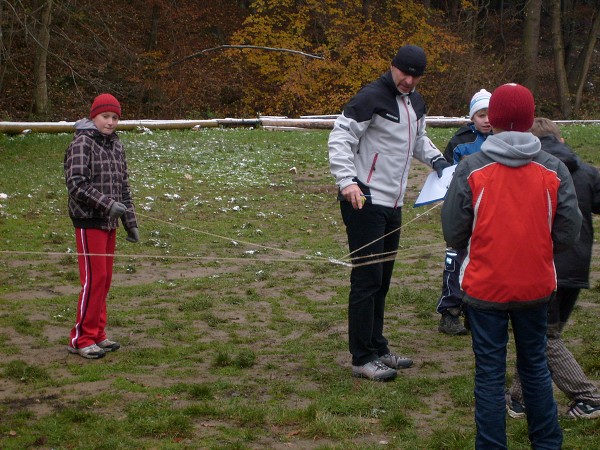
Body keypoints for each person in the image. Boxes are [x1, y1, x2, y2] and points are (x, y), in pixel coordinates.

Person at [441, 83, 582, 449]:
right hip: (534, 286)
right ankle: (547, 444)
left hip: (486, 286)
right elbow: (568, 231)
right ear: (529, 120)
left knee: (490, 374)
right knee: (534, 367)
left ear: (497, 121)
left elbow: (454, 231)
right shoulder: (552, 168)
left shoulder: (474, 167)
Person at [328, 44, 451, 381]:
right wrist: (347, 181)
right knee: (366, 280)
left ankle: (378, 347)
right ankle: (362, 358)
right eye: (404, 73)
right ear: (392, 66)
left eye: (415, 76)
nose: (408, 80)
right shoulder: (371, 97)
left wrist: (438, 160)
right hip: (364, 201)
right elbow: (340, 137)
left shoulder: (416, 103)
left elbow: (418, 139)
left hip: (394, 204)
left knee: (381, 280)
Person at [506, 117, 600, 420]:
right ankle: (518, 398)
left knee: (543, 338)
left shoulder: (531, 172)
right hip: (576, 268)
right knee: (541, 333)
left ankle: (588, 396)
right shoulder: (587, 172)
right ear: (560, 139)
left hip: (546, 268)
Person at [64, 93, 140, 359]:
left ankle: (97, 333)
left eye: (115, 118)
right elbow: (76, 185)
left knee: (104, 280)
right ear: (93, 116)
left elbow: (123, 188)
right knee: (93, 280)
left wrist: (130, 222)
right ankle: (81, 338)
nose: (110, 122)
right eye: (105, 117)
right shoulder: (82, 143)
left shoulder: (116, 146)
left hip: (109, 224)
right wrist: (107, 205)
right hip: (88, 220)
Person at [437, 89, 492, 335]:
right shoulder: (460, 142)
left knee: (485, 259)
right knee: (455, 260)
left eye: (491, 114)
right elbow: (448, 176)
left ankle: (479, 309)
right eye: (481, 114)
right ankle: (450, 311)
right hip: (463, 210)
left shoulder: (503, 139)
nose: (487, 120)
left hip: (491, 213)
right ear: (472, 117)